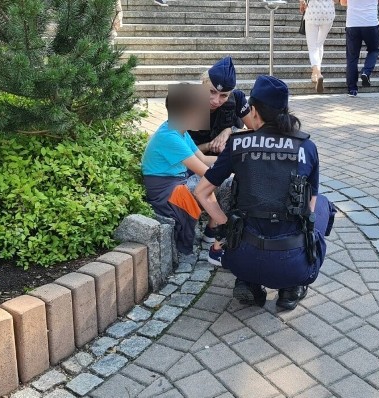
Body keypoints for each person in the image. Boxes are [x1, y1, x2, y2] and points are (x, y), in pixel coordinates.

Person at [194, 76, 336, 311]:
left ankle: (248, 281)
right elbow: (309, 209)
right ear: (285, 112)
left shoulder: (237, 144)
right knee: (322, 204)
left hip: (242, 258)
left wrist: (225, 225)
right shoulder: (307, 147)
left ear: (255, 111)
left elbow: (202, 192)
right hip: (292, 263)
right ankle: (292, 288)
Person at [142, 84, 218, 256]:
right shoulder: (169, 137)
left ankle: (214, 229)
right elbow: (205, 172)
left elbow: (204, 159)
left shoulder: (179, 130)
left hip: (177, 180)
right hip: (165, 190)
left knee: (217, 179)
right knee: (218, 183)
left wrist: (234, 159)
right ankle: (218, 229)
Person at [189, 56, 250, 155]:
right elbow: (176, 151)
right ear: (203, 83)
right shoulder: (187, 100)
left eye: (224, 95)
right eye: (212, 91)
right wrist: (209, 146)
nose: (216, 101)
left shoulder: (237, 98)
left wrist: (231, 130)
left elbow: (257, 132)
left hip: (225, 161)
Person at [340, 0, 379, 97]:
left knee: (352, 57)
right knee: (373, 50)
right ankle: (366, 72)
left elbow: (343, 2)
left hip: (352, 24)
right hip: (370, 23)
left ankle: (352, 89)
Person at [300, 0, 339, 93]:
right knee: (319, 44)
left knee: (313, 48)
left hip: (313, 12)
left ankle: (318, 73)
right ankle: (315, 74)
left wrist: (302, 3)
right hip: (328, 13)